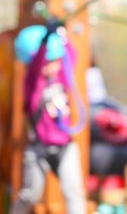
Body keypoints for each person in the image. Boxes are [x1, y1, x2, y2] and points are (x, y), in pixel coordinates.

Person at [11, 25, 86, 214]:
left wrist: (63, 36)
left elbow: (71, 57)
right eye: (50, 61)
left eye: (56, 60)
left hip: (64, 146)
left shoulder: (61, 78)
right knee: (30, 194)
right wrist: (46, 39)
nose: (54, 64)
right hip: (39, 149)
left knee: (74, 192)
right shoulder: (33, 84)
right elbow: (37, 64)